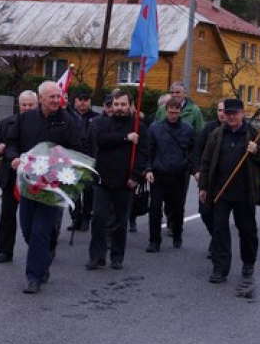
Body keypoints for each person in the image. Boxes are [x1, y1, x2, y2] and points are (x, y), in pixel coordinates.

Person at [5, 81, 83, 294]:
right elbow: (11, 143)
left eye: (58, 97)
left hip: (51, 186)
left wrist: (62, 162)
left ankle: (34, 277)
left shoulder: (68, 122)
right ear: (41, 99)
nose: (56, 101)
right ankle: (45, 255)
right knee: (29, 229)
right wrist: (13, 158)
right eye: (52, 97)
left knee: (40, 230)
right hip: (28, 183)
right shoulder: (26, 119)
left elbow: (77, 149)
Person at [198, 98, 260, 283]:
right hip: (220, 190)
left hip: (245, 192)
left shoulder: (255, 134)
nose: (230, 116)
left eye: (234, 113)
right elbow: (206, 162)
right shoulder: (216, 134)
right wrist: (204, 187)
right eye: (228, 113)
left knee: (247, 230)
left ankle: (248, 261)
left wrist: (257, 151)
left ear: (242, 114)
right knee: (219, 229)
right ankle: (220, 268)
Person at [85, 90, 148, 271]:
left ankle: (117, 257)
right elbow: (101, 140)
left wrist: (135, 176)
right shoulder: (102, 122)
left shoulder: (139, 127)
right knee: (99, 218)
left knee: (120, 221)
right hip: (103, 179)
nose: (119, 108)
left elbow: (143, 153)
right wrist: (125, 138)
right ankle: (97, 256)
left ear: (130, 105)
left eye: (123, 105)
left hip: (125, 181)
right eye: (116, 104)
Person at [144, 98, 197, 253]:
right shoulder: (155, 128)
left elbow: (193, 151)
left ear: (180, 112)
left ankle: (177, 233)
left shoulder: (188, 129)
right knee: (154, 208)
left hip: (178, 174)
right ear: (166, 111)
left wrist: (189, 165)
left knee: (177, 208)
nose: (173, 115)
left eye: (176, 112)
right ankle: (154, 240)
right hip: (158, 174)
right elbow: (149, 151)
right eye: (171, 112)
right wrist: (148, 169)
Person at [0, 90, 37, 264]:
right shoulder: (7, 122)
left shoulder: (42, 124)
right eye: (23, 105)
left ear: (36, 104)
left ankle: (41, 248)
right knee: (7, 215)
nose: (26, 108)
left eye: (30, 105)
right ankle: (4, 250)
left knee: (33, 217)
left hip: (33, 177)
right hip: (10, 176)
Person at [193, 99, 227, 240]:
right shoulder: (209, 129)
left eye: (225, 110)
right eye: (219, 110)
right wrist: (196, 170)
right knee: (205, 212)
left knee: (221, 214)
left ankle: (218, 244)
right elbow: (197, 150)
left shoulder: (242, 130)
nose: (222, 114)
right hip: (209, 178)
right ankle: (216, 237)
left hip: (227, 179)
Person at [67, 90, 100, 232]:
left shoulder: (96, 118)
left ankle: (87, 217)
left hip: (88, 159)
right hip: (72, 159)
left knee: (87, 189)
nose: (82, 103)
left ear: (90, 102)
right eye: (80, 100)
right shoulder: (69, 117)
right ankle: (75, 217)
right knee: (72, 191)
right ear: (75, 101)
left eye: (85, 100)